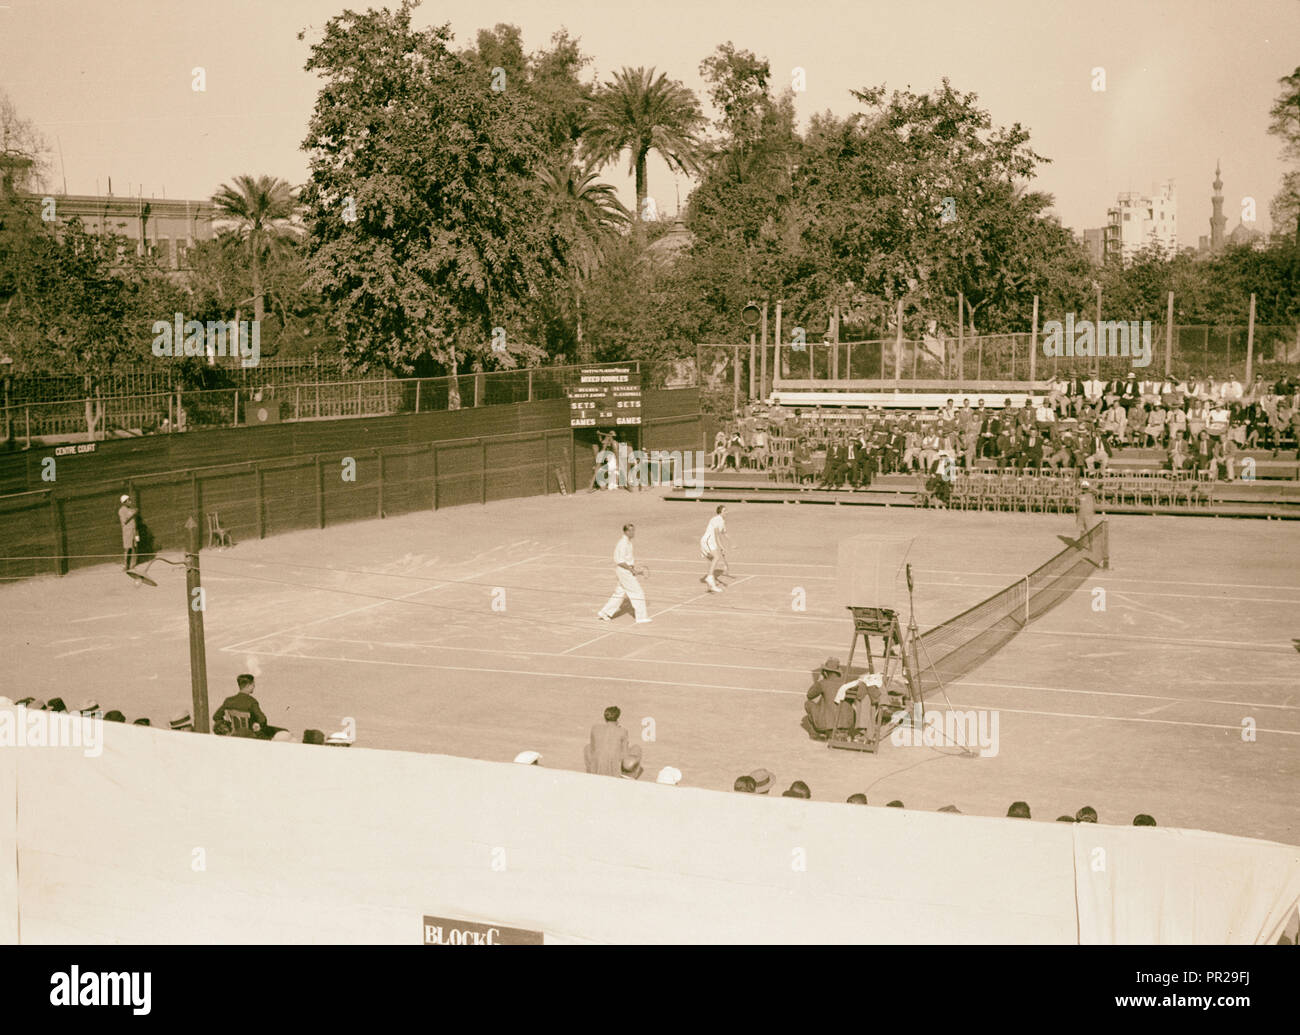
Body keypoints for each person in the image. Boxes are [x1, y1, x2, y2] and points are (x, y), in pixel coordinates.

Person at [597, 523, 651, 623]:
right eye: (630, 530)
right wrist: (631, 570)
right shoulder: (623, 544)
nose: (633, 532)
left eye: (633, 530)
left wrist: (633, 569)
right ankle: (641, 617)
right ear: (626, 532)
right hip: (624, 571)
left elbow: (627, 560)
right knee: (637, 593)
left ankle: (604, 613)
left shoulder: (628, 542)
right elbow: (620, 561)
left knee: (619, 594)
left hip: (625, 571)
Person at [212, 673, 282, 739]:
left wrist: (229, 726)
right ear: (248, 685)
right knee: (282, 732)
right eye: (253, 685)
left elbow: (216, 717)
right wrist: (257, 725)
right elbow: (263, 720)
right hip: (250, 735)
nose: (254, 686)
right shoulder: (251, 701)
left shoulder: (228, 701)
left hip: (234, 734)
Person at [803, 657, 856, 738]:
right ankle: (844, 730)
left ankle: (815, 734)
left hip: (829, 723)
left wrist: (819, 680)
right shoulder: (846, 683)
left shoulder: (823, 683)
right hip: (847, 723)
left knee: (808, 704)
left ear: (825, 672)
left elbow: (809, 695)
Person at [584, 705, 629, 777]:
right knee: (636, 749)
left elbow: (592, 749)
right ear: (618, 717)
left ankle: (590, 771)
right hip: (613, 769)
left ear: (605, 717)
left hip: (596, 767)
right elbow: (624, 754)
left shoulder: (595, 728)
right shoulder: (623, 731)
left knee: (587, 747)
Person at [699, 505, 728, 593]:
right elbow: (716, 535)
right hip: (707, 541)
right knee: (716, 557)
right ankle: (709, 577)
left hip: (711, 542)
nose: (726, 512)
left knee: (712, 560)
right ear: (720, 512)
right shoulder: (716, 520)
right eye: (724, 511)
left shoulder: (722, 521)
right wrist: (722, 547)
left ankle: (711, 586)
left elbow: (724, 532)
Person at [118, 494, 140, 573]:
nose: (130, 502)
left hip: (134, 531)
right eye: (128, 500)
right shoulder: (121, 510)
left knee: (135, 547)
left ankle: (133, 565)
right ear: (124, 502)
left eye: (130, 500)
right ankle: (126, 565)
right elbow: (125, 521)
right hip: (127, 532)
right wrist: (134, 513)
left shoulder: (131, 509)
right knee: (127, 549)